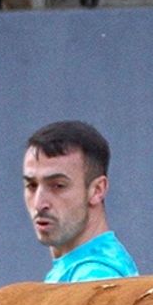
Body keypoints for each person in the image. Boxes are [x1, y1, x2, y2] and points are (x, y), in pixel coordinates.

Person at [23, 121, 139, 282]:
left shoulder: (96, 276)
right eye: (31, 185)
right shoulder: (74, 271)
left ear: (97, 190)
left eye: (58, 185)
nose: (39, 204)